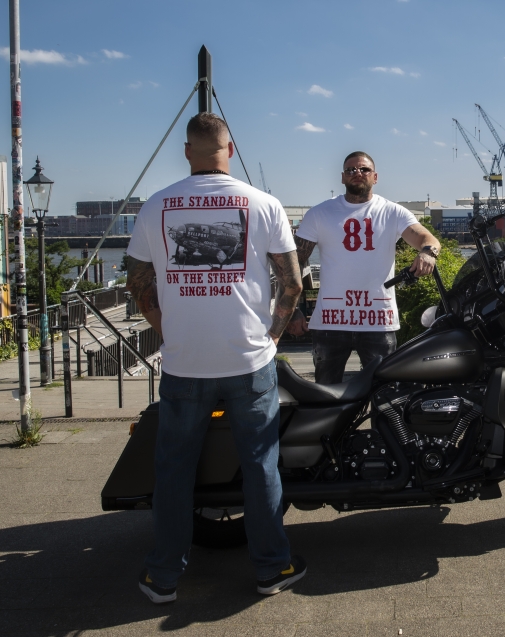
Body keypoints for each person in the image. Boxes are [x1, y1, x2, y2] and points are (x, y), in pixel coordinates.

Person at [126, 112, 306, 603]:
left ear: (187, 151)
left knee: (174, 470)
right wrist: (271, 336)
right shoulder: (264, 204)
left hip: (184, 365)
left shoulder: (155, 206)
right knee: (260, 466)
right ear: (231, 148)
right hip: (250, 361)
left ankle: (163, 576)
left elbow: (139, 283)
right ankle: (273, 567)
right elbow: (292, 282)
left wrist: (167, 330)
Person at [287, 151, 440, 384]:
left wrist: (428, 253)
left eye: (364, 169)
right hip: (330, 322)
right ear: (342, 177)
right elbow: (293, 264)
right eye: (351, 170)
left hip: (378, 321)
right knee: (325, 397)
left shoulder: (393, 212)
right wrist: (292, 310)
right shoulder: (319, 214)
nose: (357, 173)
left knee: (384, 393)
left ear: (375, 177)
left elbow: (425, 238)